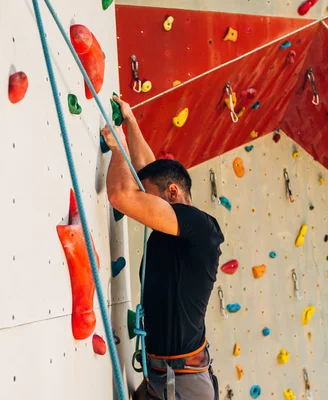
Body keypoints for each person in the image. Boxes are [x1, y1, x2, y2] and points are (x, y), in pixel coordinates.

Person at [102, 96, 225, 400]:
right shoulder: (174, 223)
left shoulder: (202, 229)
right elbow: (146, 170)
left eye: (153, 196)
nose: (147, 203)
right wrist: (130, 122)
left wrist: (118, 148)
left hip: (181, 383)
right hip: (168, 376)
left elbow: (121, 196)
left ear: (173, 192)